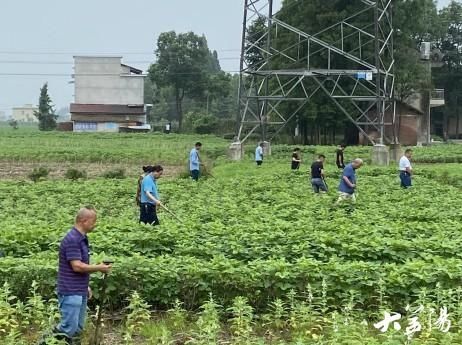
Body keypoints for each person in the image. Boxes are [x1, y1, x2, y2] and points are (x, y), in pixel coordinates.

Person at [51, 206, 112, 344]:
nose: (95, 224)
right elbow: (77, 266)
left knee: (78, 328)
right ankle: (46, 342)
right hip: (70, 291)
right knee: (68, 328)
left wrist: (86, 285)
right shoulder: (72, 239)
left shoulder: (82, 238)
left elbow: (79, 267)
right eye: (93, 221)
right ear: (84, 221)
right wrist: (99, 268)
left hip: (78, 290)